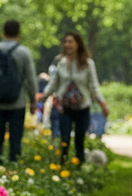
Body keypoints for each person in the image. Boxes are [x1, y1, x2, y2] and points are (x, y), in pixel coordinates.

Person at [44, 31, 109, 165]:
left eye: (70, 42)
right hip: (65, 108)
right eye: (65, 42)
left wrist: (102, 104)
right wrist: (43, 95)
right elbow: (54, 83)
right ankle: (62, 167)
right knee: (65, 139)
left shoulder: (88, 64)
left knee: (79, 139)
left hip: (82, 107)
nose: (67, 45)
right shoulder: (61, 62)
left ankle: (80, 167)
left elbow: (94, 86)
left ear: (78, 44)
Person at [0, 20, 38, 164]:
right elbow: (31, 80)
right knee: (15, 138)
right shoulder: (24, 52)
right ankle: (14, 167)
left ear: (3, 32)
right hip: (17, 103)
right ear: (18, 33)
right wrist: (33, 100)